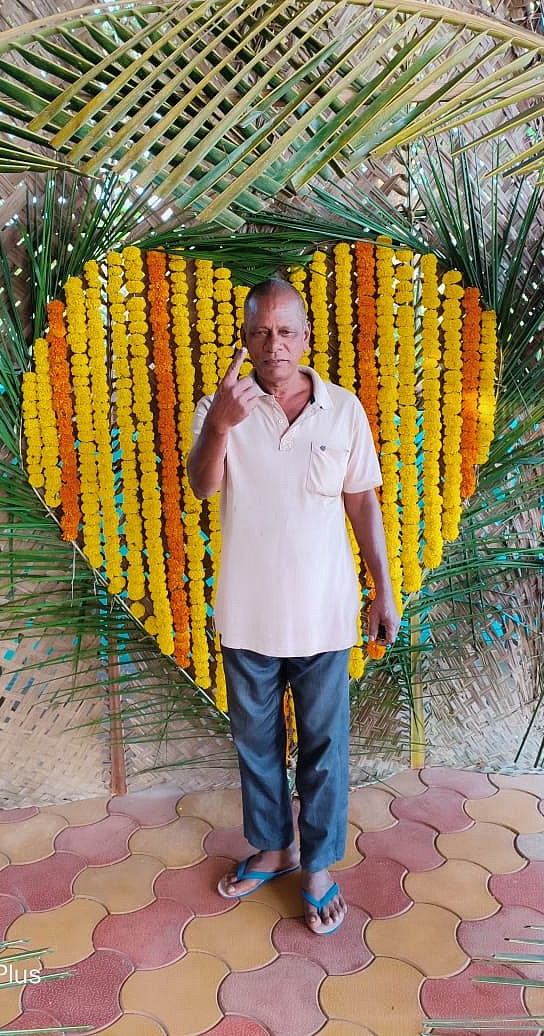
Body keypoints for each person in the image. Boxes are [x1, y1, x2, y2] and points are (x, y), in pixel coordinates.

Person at [187, 276, 400, 936]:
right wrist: (220, 424)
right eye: (259, 331)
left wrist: (382, 590)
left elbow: (362, 500)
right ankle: (274, 848)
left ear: (305, 337)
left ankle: (318, 867)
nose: (273, 343)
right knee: (255, 745)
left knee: (324, 746)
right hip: (247, 613)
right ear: (244, 339)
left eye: (285, 331)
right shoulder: (219, 406)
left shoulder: (343, 411)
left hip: (325, 614)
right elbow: (201, 484)